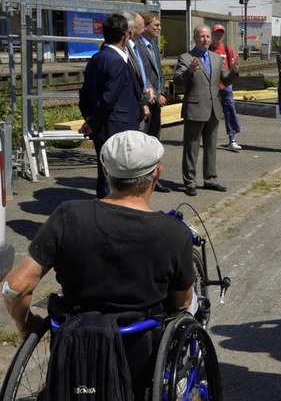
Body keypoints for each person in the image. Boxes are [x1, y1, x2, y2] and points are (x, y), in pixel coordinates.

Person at [2, 130, 195, 399]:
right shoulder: (174, 233)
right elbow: (181, 304)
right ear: (157, 173)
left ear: (105, 172)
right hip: (139, 350)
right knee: (191, 306)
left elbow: (14, 287)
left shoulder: (68, 216)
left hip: (74, 344)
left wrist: (27, 327)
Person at [78, 13, 143, 199]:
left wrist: (90, 120)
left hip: (101, 126)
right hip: (117, 126)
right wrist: (92, 122)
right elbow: (109, 98)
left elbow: (84, 94)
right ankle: (112, 214)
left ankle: (103, 210)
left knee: (104, 172)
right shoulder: (117, 61)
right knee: (118, 176)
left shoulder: (96, 58)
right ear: (125, 36)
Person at [174, 25, 239, 197]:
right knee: (191, 148)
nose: (206, 39)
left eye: (208, 36)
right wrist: (189, 72)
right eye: (202, 36)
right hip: (195, 108)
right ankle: (190, 182)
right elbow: (178, 81)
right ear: (194, 39)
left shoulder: (216, 58)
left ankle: (210, 179)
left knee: (211, 148)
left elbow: (224, 80)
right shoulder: (186, 58)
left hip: (214, 109)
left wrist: (234, 72)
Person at [137, 11, 171, 193]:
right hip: (145, 102)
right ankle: (141, 181)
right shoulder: (137, 46)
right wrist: (156, 95)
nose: (159, 28)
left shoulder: (154, 47)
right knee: (143, 142)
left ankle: (153, 180)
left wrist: (162, 92)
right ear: (145, 26)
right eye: (155, 25)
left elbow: (159, 73)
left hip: (156, 103)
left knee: (155, 142)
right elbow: (143, 76)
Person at [209, 24, 243, 152]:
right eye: (216, 33)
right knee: (211, 113)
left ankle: (232, 140)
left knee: (230, 110)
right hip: (211, 86)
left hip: (225, 86)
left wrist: (234, 71)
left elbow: (232, 67)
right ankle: (209, 138)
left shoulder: (228, 50)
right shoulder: (209, 50)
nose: (218, 36)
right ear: (212, 34)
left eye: (221, 33)